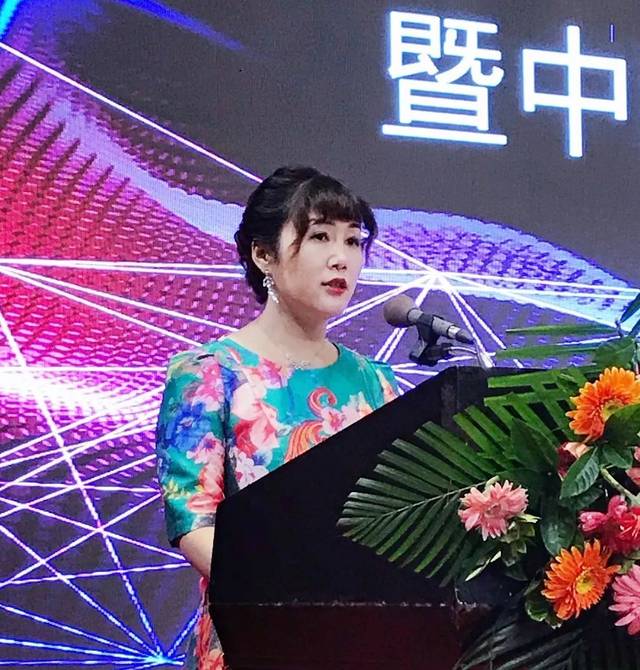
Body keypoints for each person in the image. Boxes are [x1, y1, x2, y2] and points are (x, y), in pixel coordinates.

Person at [155, 166, 399, 669]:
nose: (342, 257)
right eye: (320, 237)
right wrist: (292, 603)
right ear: (263, 254)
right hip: (257, 636)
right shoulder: (209, 373)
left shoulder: (376, 383)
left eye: (354, 241)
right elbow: (194, 520)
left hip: (365, 639)